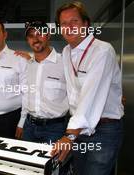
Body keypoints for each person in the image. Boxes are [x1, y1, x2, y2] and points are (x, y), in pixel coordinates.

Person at [51, 2, 124, 175]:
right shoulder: (67, 52)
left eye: (74, 21)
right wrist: (28, 60)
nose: (69, 27)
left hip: (104, 129)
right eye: (64, 24)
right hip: (80, 130)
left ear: (85, 24)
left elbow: (90, 96)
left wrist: (69, 136)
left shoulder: (102, 51)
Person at [15, 21, 69, 143]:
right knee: (27, 162)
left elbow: (79, 92)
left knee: (52, 162)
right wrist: (22, 123)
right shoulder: (28, 65)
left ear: (48, 35)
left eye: (40, 34)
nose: (35, 39)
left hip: (55, 129)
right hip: (29, 127)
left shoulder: (64, 63)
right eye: (31, 36)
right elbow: (26, 96)